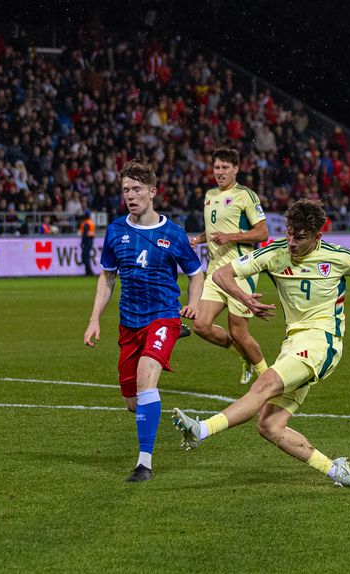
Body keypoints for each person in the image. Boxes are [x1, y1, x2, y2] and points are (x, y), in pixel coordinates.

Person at [171, 199, 350, 489]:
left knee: (265, 385)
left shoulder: (337, 257)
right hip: (293, 343)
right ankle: (335, 470)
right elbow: (222, 274)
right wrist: (244, 297)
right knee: (269, 426)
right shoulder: (275, 254)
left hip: (323, 342)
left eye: (299, 237)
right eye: (288, 233)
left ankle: (201, 430)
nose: (291, 243)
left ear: (316, 237)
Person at [84, 160, 204, 483]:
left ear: (153, 192)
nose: (130, 195)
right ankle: (165, 341)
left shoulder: (173, 234)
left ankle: (144, 463)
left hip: (164, 314)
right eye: (125, 190)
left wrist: (193, 303)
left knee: (147, 374)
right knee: (132, 401)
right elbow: (108, 277)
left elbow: (196, 274)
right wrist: (95, 318)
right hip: (130, 323)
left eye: (137, 189)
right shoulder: (116, 231)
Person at [188, 147, 270, 385]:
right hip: (214, 271)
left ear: (236, 169)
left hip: (240, 270)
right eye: (216, 167)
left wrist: (232, 236)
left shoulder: (246, 195)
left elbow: (262, 232)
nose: (220, 172)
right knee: (201, 326)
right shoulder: (210, 195)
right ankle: (243, 356)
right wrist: (198, 239)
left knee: (238, 332)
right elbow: (214, 231)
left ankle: (267, 379)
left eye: (225, 167)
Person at [79, 210, 96, 276]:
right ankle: (88, 271)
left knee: (85, 257)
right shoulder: (91, 222)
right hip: (90, 240)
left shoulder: (86, 223)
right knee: (86, 256)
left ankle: (89, 271)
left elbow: (84, 234)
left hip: (87, 241)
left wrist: (82, 242)